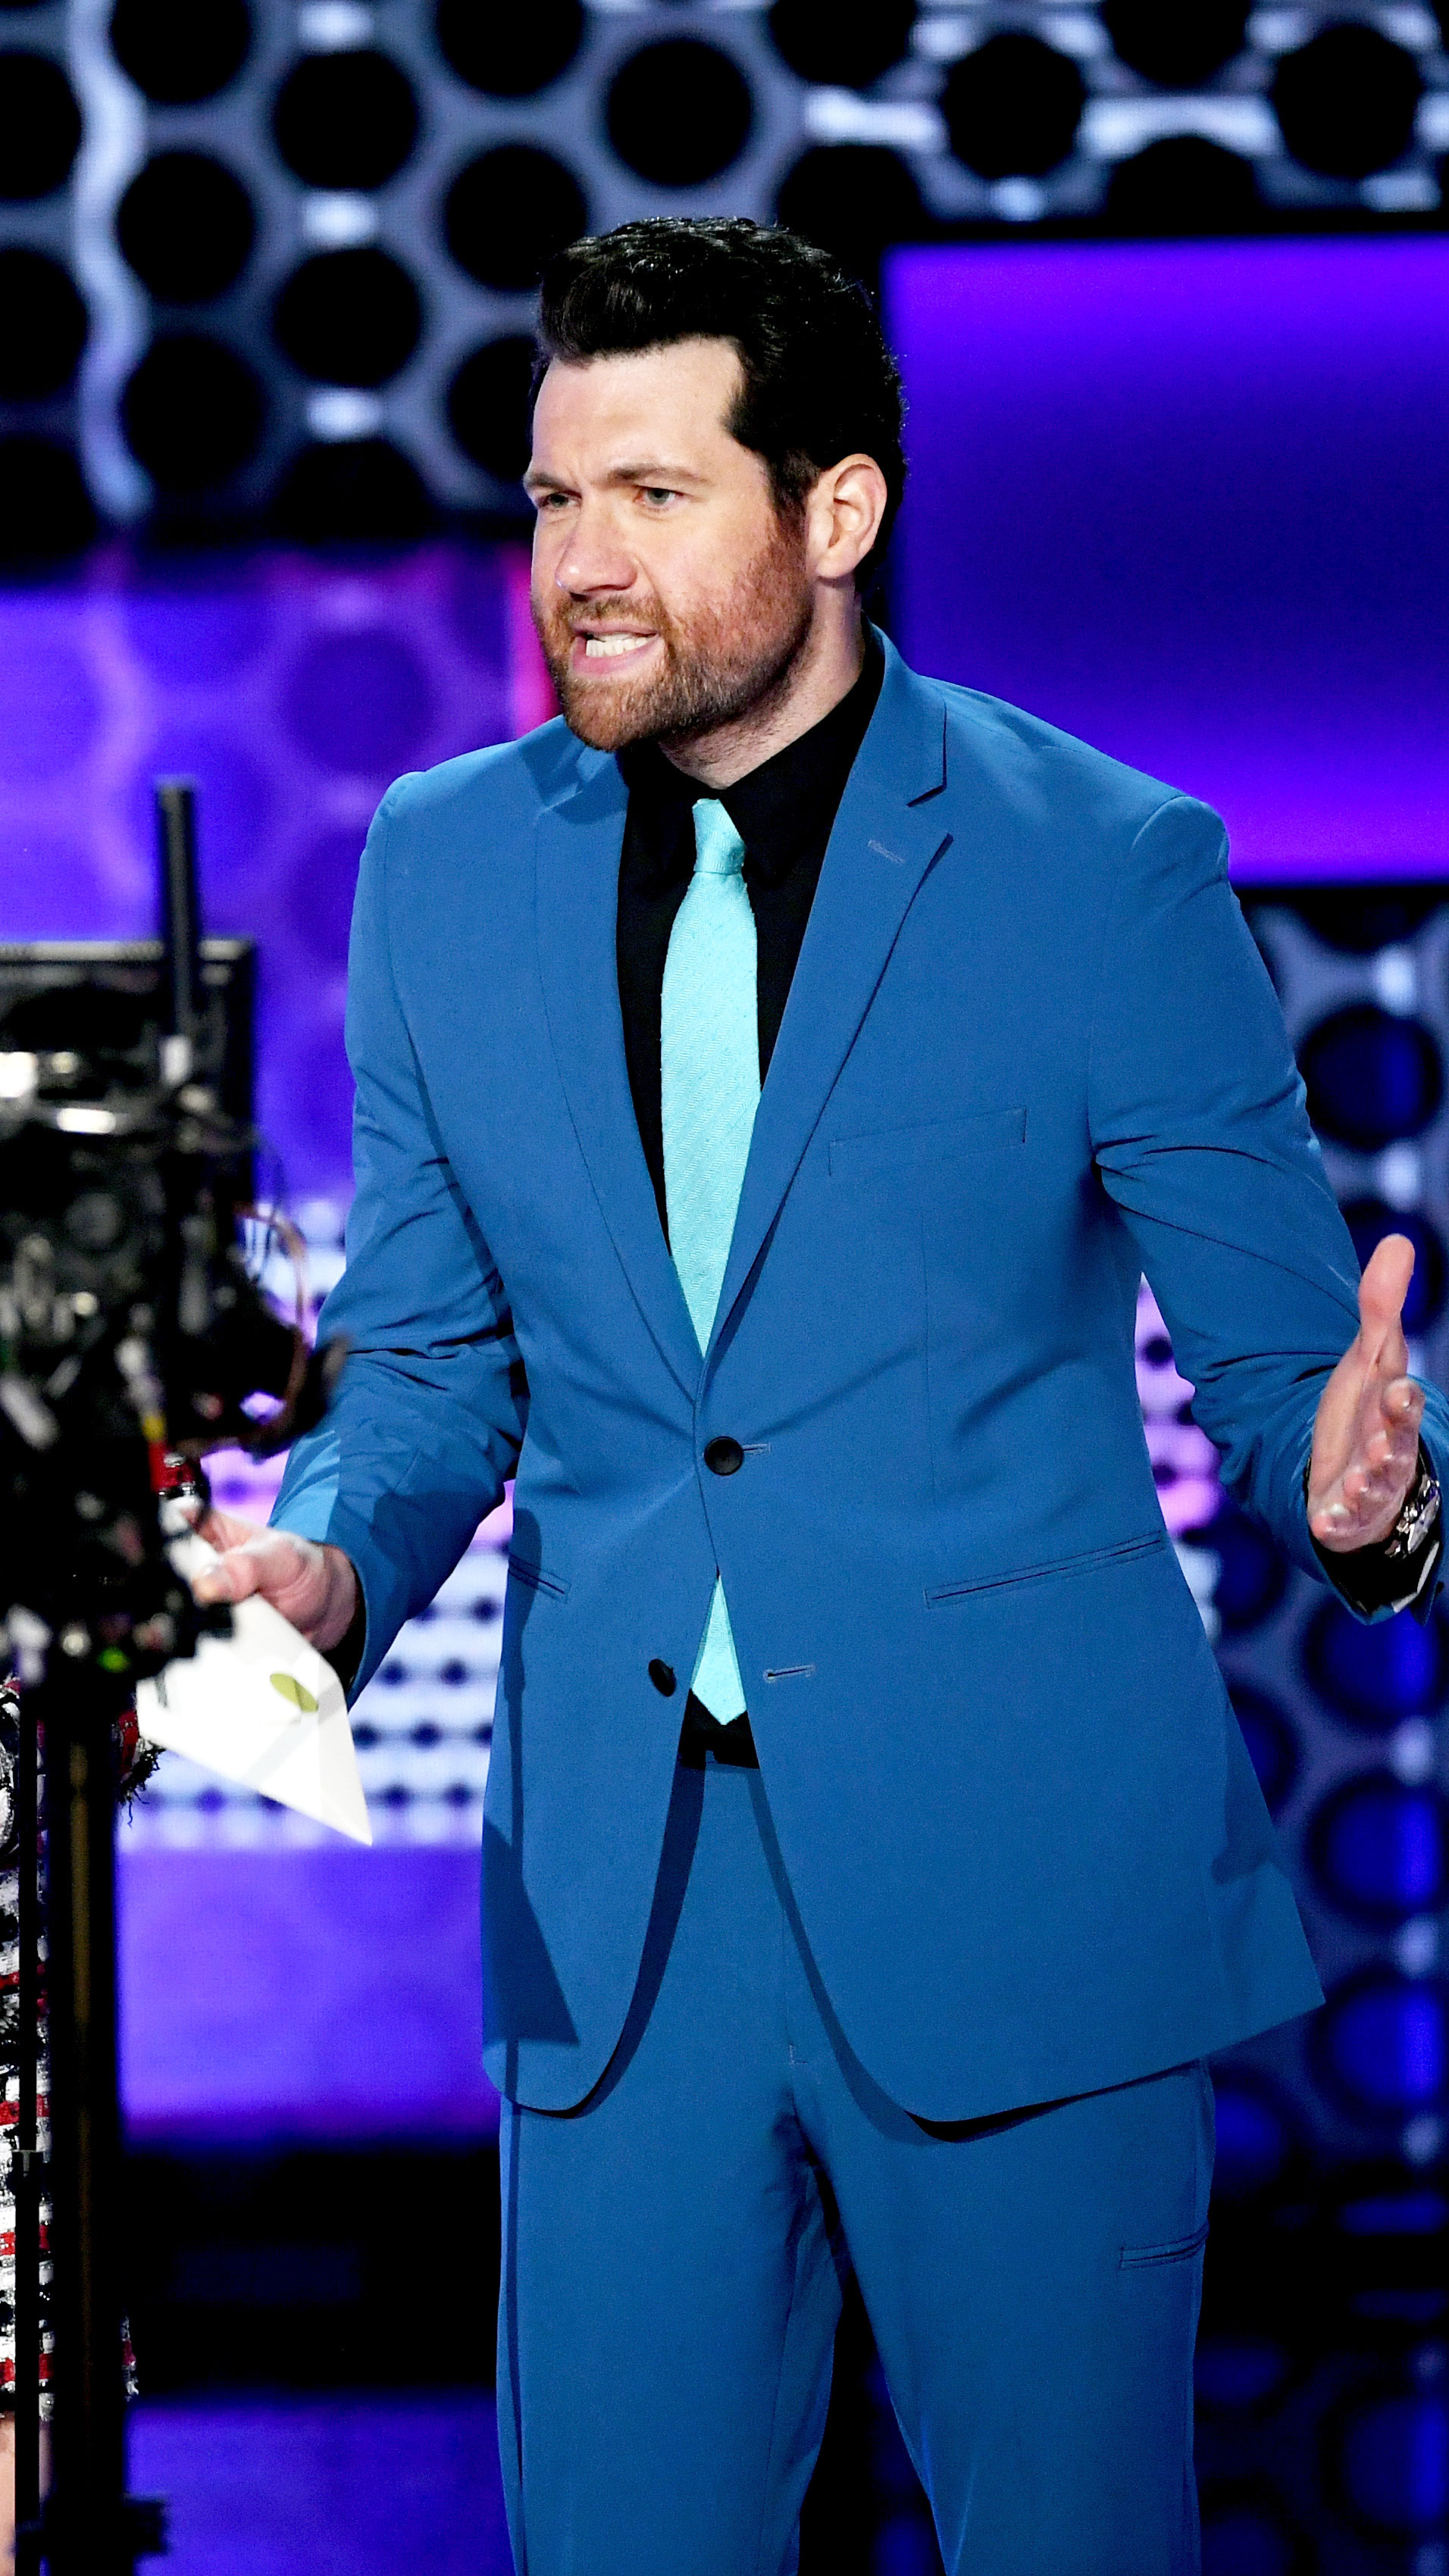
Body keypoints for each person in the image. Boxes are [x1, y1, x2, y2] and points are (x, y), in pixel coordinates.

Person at [192, 219, 1445, 2573]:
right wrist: (329, 1557)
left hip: (1022, 1890)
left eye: (654, 499)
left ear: (835, 514)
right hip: (626, 1918)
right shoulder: (445, 869)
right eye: (557, 500)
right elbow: (438, 1360)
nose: (579, 564)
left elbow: (1294, 1376)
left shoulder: (1103, 866)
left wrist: (1366, 1491)